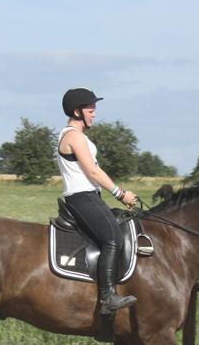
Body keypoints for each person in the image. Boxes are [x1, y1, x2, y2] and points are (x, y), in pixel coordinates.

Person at [56, 87, 140, 315]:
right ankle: (107, 297)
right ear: (76, 111)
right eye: (90, 108)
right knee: (113, 238)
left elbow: (96, 169)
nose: (94, 113)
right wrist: (120, 194)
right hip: (81, 198)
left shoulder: (80, 138)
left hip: (90, 196)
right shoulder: (73, 137)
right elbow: (92, 172)